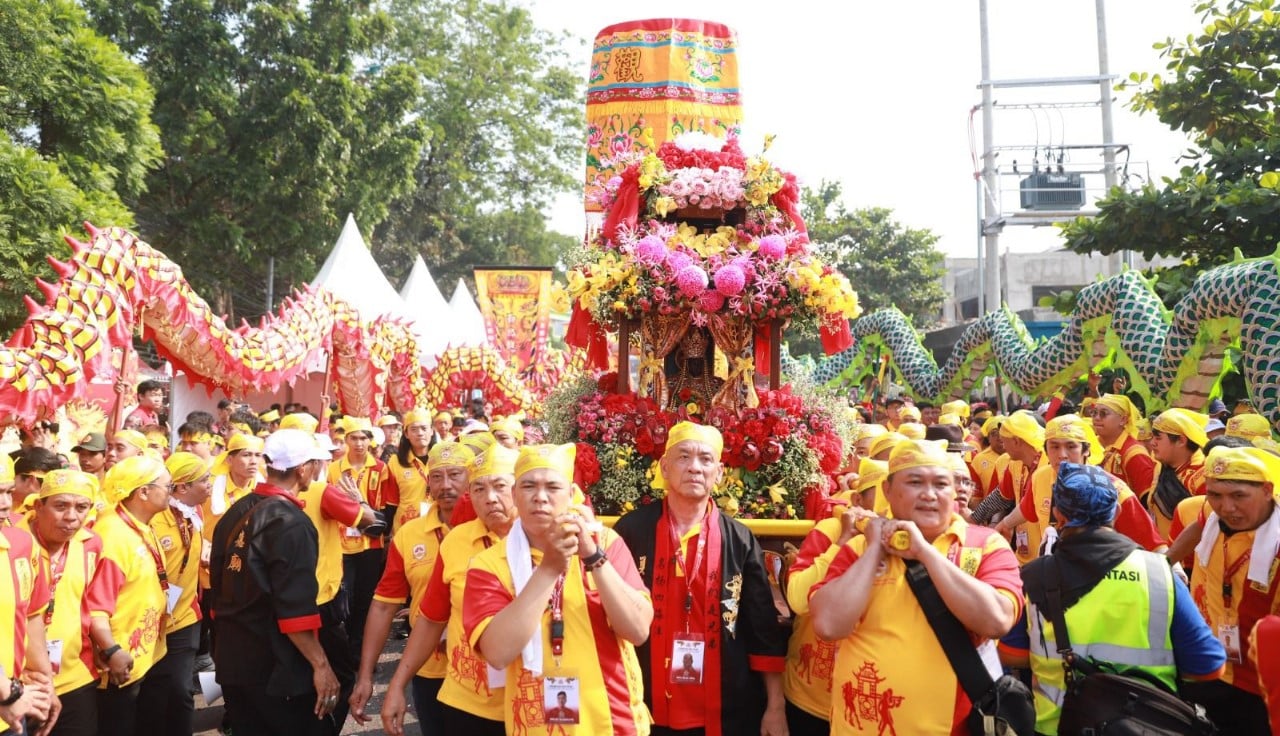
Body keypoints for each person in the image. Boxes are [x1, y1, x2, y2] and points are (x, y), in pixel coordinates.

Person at [809, 439, 1022, 736]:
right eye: (915, 482)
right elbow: (829, 625)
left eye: (941, 484)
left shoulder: (984, 545)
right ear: (887, 490)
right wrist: (873, 551)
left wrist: (924, 552)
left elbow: (997, 621)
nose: (930, 495)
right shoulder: (858, 549)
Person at [1010, 462, 1224, 735]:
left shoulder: (1032, 576)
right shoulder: (1158, 573)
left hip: (1057, 726)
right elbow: (1208, 667)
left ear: (1058, 516)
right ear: (1117, 512)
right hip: (1147, 726)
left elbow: (1012, 653)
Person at [463, 444, 653, 735]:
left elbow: (638, 630)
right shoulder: (489, 565)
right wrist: (549, 568)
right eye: (528, 486)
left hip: (614, 722)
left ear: (572, 494)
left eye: (552, 486)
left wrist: (592, 556)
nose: (540, 496)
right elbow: (497, 652)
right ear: (515, 494)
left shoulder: (607, 544)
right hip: (536, 725)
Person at [613, 422, 789, 736]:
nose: (695, 467)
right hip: (644, 700)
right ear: (665, 467)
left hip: (725, 706)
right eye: (684, 457)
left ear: (719, 473)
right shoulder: (631, 531)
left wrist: (775, 707)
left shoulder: (739, 539)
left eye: (705, 459)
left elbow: (761, 627)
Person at [381, 444, 520, 736]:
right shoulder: (457, 541)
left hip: (532, 699)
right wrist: (396, 685)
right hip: (469, 700)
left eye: (500, 486)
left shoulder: (551, 539)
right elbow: (431, 619)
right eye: (479, 489)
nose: (490, 498)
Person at [209, 429, 340, 736]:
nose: (319, 469)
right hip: (274, 668)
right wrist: (321, 666)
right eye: (316, 463)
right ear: (303, 468)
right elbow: (294, 611)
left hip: (233, 659)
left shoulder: (235, 512)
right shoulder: (290, 521)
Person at [349, 441, 475, 733]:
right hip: (428, 667)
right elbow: (383, 605)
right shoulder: (409, 534)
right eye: (437, 476)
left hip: (480, 672)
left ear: (472, 478)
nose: (446, 485)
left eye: (455, 475)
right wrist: (365, 675)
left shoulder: (495, 530)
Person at [781, 463, 888, 735]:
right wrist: (841, 542)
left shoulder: (907, 541)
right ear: (857, 500)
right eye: (884, 491)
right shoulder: (830, 530)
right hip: (811, 698)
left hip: (870, 710)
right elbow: (798, 599)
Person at [1184, 445, 1280, 732]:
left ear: (1267, 490)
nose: (1226, 508)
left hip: (1259, 686)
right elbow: (1200, 522)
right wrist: (1164, 563)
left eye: (1239, 495)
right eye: (1215, 495)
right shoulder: (1211, 514)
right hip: (1207, 668)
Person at [993, 414, 1166, 558]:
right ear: (1045, 450)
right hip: (1054, 576)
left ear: (1086, 451)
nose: (1062, 455)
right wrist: (1005, 524)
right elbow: (1028, 507)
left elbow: (1151, 540)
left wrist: (1174, 571)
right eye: (1054, 447)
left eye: (1071, 447)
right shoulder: (1041, 477)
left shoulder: (1112, 488)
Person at [90, 455, 173, 736]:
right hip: (119, 664)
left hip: (144, 655)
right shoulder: (113, 534)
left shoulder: (140, 524)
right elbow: (96, 606)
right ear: (144, 492)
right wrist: (111, 649)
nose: (171, 492)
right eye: (167, 486)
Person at [22, 469, 103, 736]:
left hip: (75, 676)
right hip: (23, 682)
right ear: (38, 506)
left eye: (81, 507)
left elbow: (92, 603)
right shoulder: (14, 543)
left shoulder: (91, 544)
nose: (71, 517)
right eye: (60, 506)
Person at [135, 453, 211, 736]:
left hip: (184, 615)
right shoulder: (155, 516)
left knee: (180, 690)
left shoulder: (196, 511)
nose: (210, 485)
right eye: (204, 480)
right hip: (151, 619)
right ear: (181, 487)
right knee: (154, 690)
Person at [327, 417, 389, 659]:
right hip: (342, 544)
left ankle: (361, 653)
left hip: (371, 544)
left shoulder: (381, 469)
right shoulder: (334, 469)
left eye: (364, 438)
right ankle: (348, 650)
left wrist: (359, 503)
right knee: (347, 600)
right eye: (354, 438)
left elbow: (384, 511)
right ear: (346, 440)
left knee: (367, 600)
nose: (359, 443)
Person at [1148, 408, 1209, 540]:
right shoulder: (1161, 465)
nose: (1152, 442)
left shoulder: (1205, 476)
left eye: (1158, 438)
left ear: (1181, 441)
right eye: (1152, 437)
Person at [1090, 394, 1157, 500]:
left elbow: (1146, 502)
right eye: (1094, 413)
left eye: (1103, 414)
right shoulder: (1093, 445)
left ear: (1123, 420)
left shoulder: (1134, 453)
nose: (1097, 418)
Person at [383, 410, 433, 531]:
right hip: (404, 527)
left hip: (435, 525)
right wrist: (386, 535)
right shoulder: (395, 462)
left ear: (431, 431)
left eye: (424, 428)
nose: (419, 433)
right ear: (406, 433)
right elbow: (391, 502)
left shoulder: (441, 459)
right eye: (414, 429)